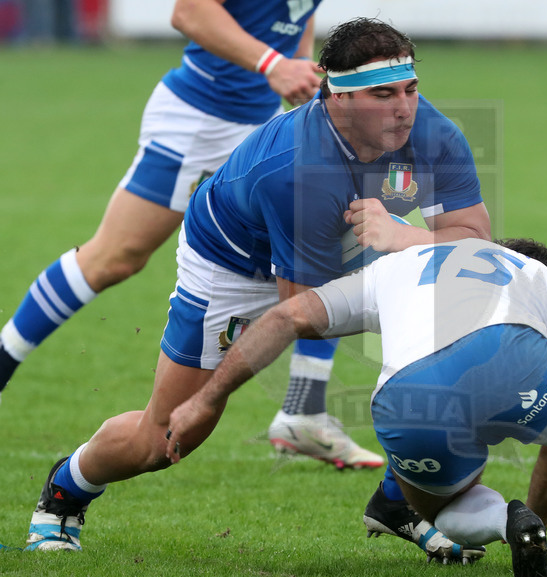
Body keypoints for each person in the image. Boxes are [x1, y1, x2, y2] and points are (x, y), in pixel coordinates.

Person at [20, 18, 542, 562]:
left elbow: (475, 239)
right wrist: (211, 397)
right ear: (336, 98)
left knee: (466, 345)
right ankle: (65, 490)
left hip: (344, 249)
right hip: (232, 268)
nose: (403, 108)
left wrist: (403, 236)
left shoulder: (433, 133)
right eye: (382, 94)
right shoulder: (295, 170)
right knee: (164, 439)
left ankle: (395, 502)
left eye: (410, 89)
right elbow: (301, 312)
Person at [164, 236, 547, 577]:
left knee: (433, 507)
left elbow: (289, 316)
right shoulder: (543, 284)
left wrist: (207, 398)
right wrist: (544, 526)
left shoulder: (402, 264)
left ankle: (502, 523)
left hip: (409, 399)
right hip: (514, 359)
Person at [0, 0, 386, 470]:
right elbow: (188, 11)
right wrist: (272, 64)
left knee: (323, 240)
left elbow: (294, 18)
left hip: (264, 123)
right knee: (114, 259)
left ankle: (304, 409)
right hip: (199, 117)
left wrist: (301, 72)